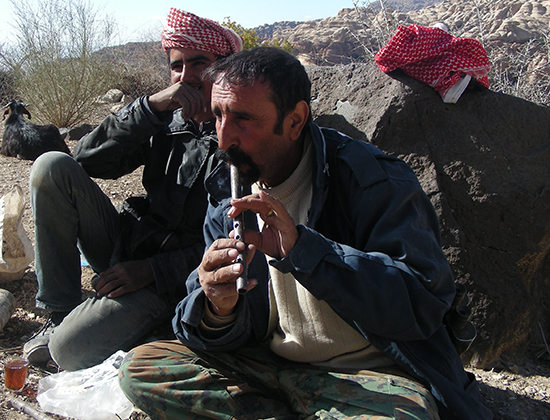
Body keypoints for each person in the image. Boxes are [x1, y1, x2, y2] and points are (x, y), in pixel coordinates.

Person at [118, 47, 493, 419]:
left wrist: (305, 251)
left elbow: (423, 306)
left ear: (295, 120)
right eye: (217, 116)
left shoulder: (372, 181)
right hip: (269, 365)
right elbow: (214, 329)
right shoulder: (226, 187)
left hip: (367, 378)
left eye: (244, 119)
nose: (223, 139)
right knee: (141, 367)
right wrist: (217, 307)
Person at [23, 8, 243, 371]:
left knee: (68, 351)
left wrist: (153, 271)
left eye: (199, 63)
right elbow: (87, 160)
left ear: (222, 69)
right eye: (177, 65)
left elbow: (234, 242)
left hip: (174, 279)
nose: (186, 76)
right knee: (51, 167)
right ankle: (59, 311)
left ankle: (156, 327)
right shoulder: (165, 119)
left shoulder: (239, 137)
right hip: (129, 245)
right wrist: (149, 107)